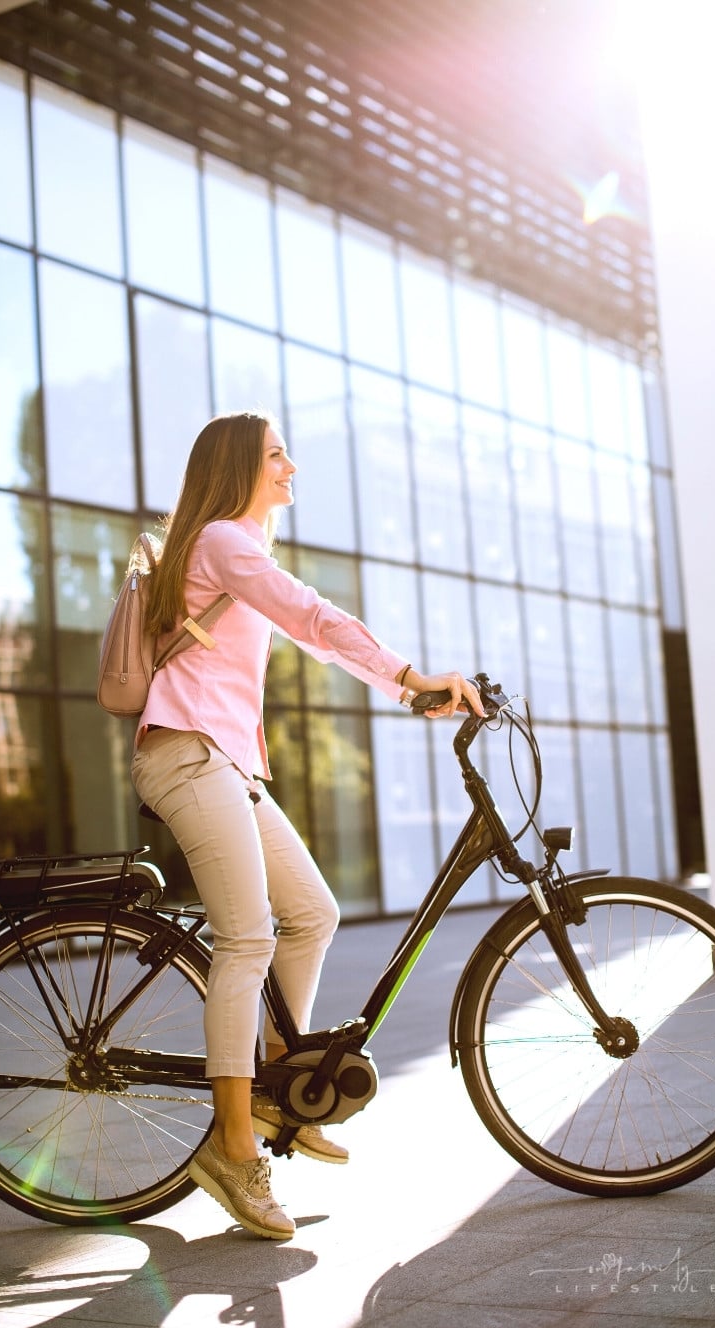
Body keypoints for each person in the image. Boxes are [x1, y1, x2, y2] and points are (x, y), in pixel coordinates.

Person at [130, 410, 484, 1240]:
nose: (292, 467)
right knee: (247, 936)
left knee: (313, 913)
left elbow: (309, 630)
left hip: (226, 763)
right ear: (238, 469)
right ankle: (233, 1144)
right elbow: (310, 617)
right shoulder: (222, 539)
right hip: (186, 753)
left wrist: (405, 691)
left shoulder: (231, 548)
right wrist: (408, 676)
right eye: (276, 455)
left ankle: (270, 1091)